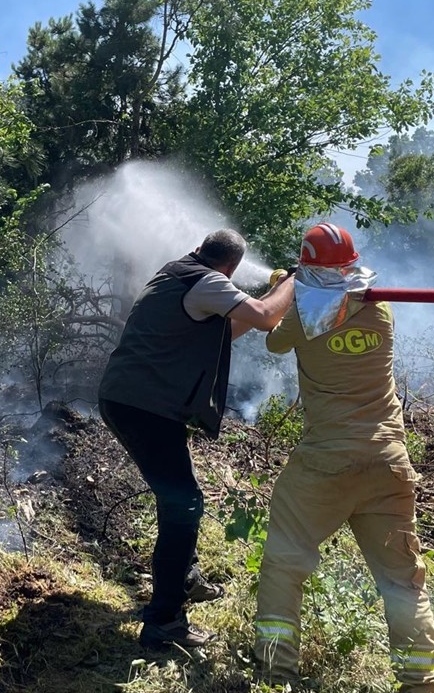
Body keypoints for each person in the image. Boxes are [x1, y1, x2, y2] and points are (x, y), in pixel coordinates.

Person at [252, 223, 434, 693]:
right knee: (404, 585)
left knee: (284, 563)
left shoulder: (301, 311)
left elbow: (275, 342)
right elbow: (338, 302)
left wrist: (284, 284)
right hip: (387, 463)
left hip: (325, 463)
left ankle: (276, 677)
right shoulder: (379, 307)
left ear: (308, 267)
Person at [98, 228, 296, 649]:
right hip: (144, 406)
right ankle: (164, 621)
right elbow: (265, 318)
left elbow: (225, 333)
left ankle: (185, 578)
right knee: (183, 502)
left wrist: (270, 292)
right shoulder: (207, 282)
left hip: (129, 400)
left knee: (180, 498)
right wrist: (292, 283)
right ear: (232, 267)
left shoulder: (176, 273)